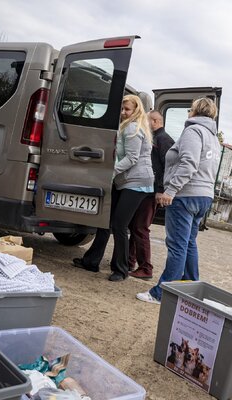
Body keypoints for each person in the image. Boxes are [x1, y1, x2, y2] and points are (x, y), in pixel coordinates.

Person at [136, 97, 221, 304]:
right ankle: (190, 287)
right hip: (204, 196)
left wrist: (170, 190)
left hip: (186, 195)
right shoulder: (213, 137)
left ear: (195, 111)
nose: (188, 113)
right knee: (189, 243)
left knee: (177, 246)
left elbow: (189, 163)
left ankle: (161, 293)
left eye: (189, 109)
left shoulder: (193, 131)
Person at [73, 94, 154, 282]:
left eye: (127, 110)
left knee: (119, 225)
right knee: (105, 222)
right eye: (122, 109)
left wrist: (110, 172)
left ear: (136, 110)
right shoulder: (127, 126)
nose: (124, 113)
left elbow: (132, 159)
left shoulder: (133, 128)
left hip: (136, 182)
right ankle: (91, 261)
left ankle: (121, 269)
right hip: (124, 180)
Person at [128, 110, 175, 280]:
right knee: (135, 225)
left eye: (146, 121)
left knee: (140, 227)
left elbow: (168, 167)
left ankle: (146, 267)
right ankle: (129, 261)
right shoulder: (154, 138)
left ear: (155, 121)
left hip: (152, 191)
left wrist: (161, 189)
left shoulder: (164, 140)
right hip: (145, 187)